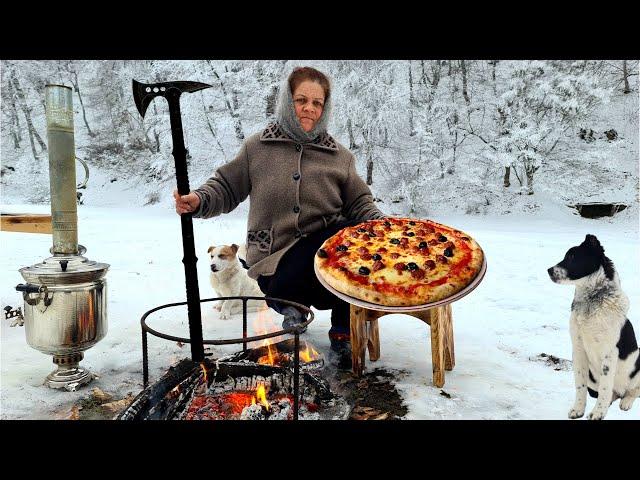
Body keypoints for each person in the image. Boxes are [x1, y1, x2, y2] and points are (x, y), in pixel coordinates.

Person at [174, 66, 385, 368]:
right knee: (334, 244)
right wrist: (199, 200)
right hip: (277, 269)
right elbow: (225, 186)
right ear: (287, 101)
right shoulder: (258, 148)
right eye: (301, 100)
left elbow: (361, 203)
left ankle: (343, 333)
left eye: (317, 103)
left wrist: (383, 227)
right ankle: (292, 310)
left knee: (347, 239)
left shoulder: (340, 157)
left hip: (330, 269)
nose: (309, 108)